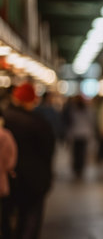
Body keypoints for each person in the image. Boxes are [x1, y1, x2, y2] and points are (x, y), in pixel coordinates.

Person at [1, 82, 55, 239]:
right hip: (35, 179)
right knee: (31, 218)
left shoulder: (4, 119)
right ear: (31, 100)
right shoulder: (38, 123)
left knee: (9, 218)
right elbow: (49, 150)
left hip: (9, 178)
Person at [63, 95, 96, 179]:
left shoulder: (74, 110)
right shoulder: (87, 110)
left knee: (76, 152)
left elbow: (70, 122)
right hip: (83, 134)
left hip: (76, 133)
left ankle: (77, 168)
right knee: (81, 152)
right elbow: (91, 121)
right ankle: (79, 168)